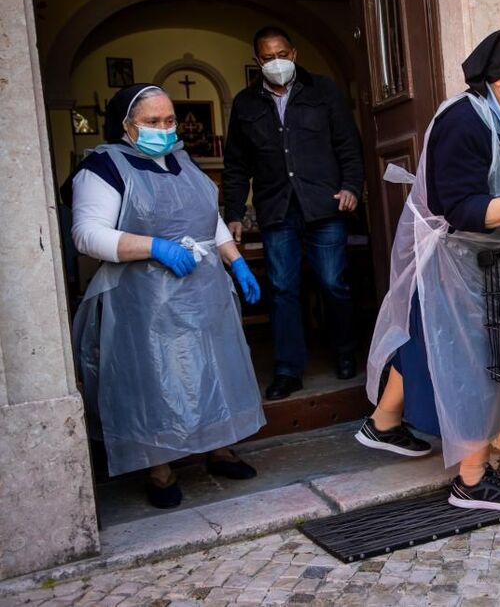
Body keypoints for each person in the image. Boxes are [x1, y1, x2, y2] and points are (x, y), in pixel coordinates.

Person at [358, 28, 500, 511]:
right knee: (477, 355)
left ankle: (384, 422)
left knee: (430, 339)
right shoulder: (462, 120)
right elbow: (458, 208)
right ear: (497, 76)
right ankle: (471, 481)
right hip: (451, 251)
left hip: (496, 250)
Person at [71, 84, 267, 509]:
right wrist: (155, 247)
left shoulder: (182, 159)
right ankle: (158, 468)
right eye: (152, 122)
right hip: (143, 297)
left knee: (213, 369)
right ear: (127, 125)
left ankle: (219, 449)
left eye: (169, 120)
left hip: (203, 290)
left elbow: (209, 221)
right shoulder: (104, 166)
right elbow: (87, 234)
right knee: (155, 379)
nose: (164, 129)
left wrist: (236, 261)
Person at [223, 26, 365, 400]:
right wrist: (234, 212)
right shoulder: (245, 104)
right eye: (268, 57)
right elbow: (236, 165)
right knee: (283, 289)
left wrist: (352, 187)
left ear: (294, 54)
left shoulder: (323, 91)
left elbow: (348, 145)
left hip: (325, 205)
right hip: (277, 209)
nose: (276, 62)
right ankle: (288, 370)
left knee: (333, 283)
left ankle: (345, 352)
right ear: (257, 61)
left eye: (282, 55)